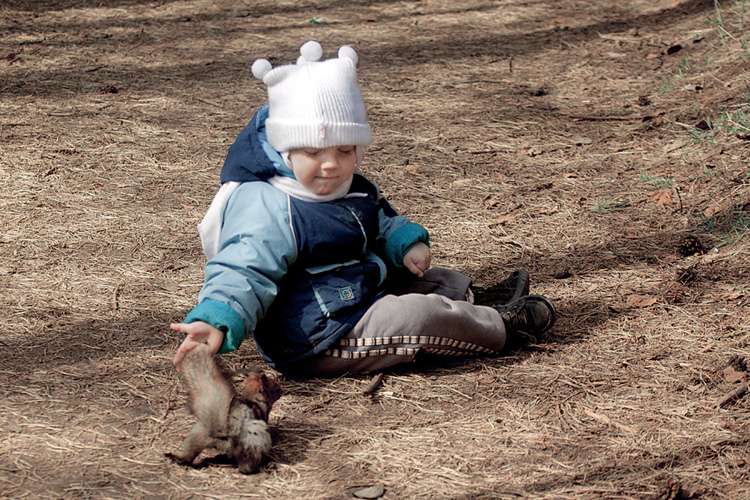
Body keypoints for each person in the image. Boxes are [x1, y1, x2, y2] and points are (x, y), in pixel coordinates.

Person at [171, 41, 556, 377]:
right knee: (416, 317)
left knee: (433, 280)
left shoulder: (337, 183)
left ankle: (472, 301)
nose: (331, 165)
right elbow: (243, 267)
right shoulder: (268, 205)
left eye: (345, 151)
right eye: (313, 152)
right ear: (285, 150)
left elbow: (374, 214)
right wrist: (216, 316)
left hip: (357, 292)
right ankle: (500, 328)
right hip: (322, 336)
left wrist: (402, 240)